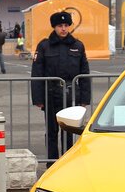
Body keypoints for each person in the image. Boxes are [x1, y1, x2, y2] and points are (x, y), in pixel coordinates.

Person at [31, 11, 91, 162]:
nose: (63, 29)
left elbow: (84, 74)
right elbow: (37, 73)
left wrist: (85, 99)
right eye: (60, 26)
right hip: (50, 94)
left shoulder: (78, 45)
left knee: (68, 131)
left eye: (66, 25)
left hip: (71, 95)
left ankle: (67, 162)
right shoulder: (44, 46)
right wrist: (38, 98)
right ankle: (52, 163)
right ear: (54, 27)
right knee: (51, 131)